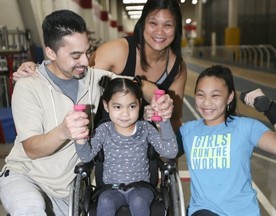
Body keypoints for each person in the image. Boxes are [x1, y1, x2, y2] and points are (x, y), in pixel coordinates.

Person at [0, 10, 173, 216]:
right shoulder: (28, 85)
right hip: (26, 177)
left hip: (69, 190)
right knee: (30, 209)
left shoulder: (94, 78)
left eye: (87, 52)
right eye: (75, 55)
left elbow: (134, 85)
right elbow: (31, 149)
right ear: (51, 53)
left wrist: (161, 99)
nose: (85, 61)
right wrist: (64, 131)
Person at [13, 0, 187, 132]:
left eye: (168, 25)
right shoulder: (117, 51)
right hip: (107, 136)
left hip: (147, 139)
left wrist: (165, 129)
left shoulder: (177, 67)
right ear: (142, 24)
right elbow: (75, 71)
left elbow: (175, 118)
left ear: (176, 28)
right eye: (153, 23)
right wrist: (38, 68)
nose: (159, 32)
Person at [177, 65, 276, 216]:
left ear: (229, 97)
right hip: (204, 211)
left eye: (215, 96)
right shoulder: (188, 131)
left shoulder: (245, 127)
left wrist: (271, 109)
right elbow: (164, 154)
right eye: (200, 95)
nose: (206, 103)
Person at [73, 76, 178, 216]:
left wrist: (164, 121)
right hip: (111, 189)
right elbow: (86, 156)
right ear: (106, 106)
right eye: (117, 107)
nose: (125, 113)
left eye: (132, 106)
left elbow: (170, 152)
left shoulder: (145, 128)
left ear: (139, 104)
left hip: (141, 188)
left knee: (138, 201)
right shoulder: (104, 130)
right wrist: (80, 139)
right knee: (105, 202)